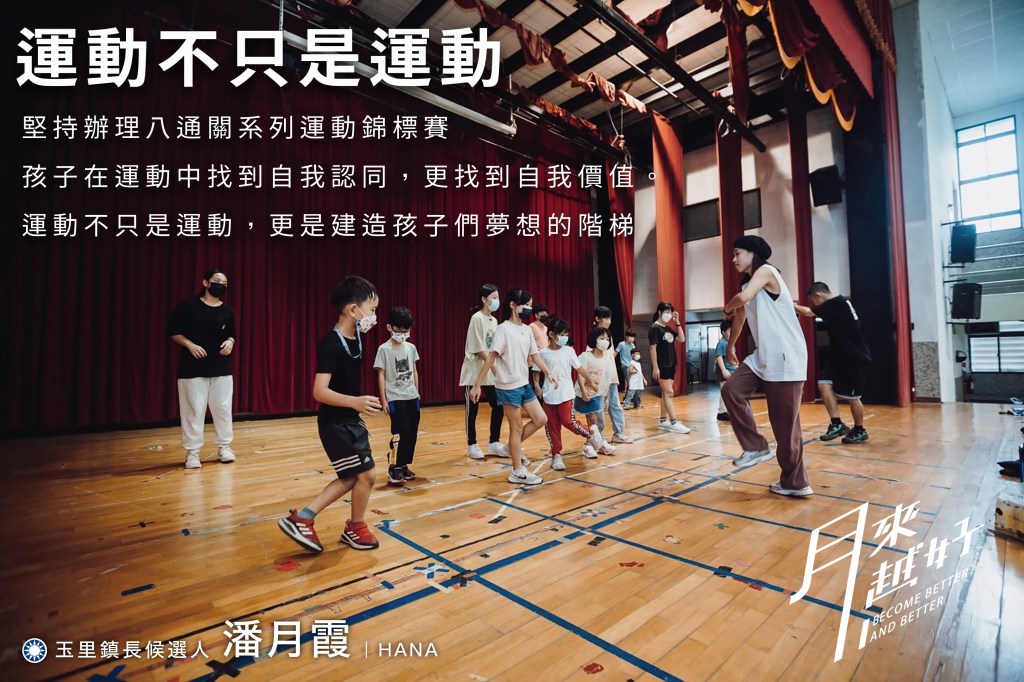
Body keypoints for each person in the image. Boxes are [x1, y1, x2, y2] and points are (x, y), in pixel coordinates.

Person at [278, 276, 382, 553]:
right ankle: (348, 525)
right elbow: (319, 391)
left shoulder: (356, 337)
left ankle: (309, 518)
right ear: (353, 310)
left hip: (349, 421)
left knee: (354, 476)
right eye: (371, 310)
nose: (374, 316)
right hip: (336, 424)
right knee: (367, 474)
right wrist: (354, 401)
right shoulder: (331, 344)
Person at [722, 236, 812, 497]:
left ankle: (796, 483)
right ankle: (756, 446)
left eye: (738, 253)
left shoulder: (767, 271)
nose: (734, 259)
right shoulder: (749, 282)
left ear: (753, 253)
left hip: (786, 357)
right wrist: (730, 347)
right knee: (731, 390)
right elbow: (740, 317)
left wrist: (727, 307)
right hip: (762, 356)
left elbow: (740, 300)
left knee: (786, 428)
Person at [470, 289, 558, 486]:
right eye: (525, 305)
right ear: (512, 305)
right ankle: (517, 471)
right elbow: (491, 357)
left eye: (530, 305)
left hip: (523, 383)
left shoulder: (527, 330)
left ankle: (511, 447)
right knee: (516, 427)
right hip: (507, 386)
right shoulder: (503, 329)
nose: (528, 309)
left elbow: (535, 356)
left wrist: (549, 372)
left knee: (541, 418)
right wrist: (477, 385)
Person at [167, 268, 237, 470]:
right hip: (193, 368)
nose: (221, 285)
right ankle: (192, 452)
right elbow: (173, 331)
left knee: (223, 409)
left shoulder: (227, 311)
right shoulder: (188, 306)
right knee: (193, 411)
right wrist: (190, 345)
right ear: (205, 282)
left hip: (222, 367)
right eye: (217, 281)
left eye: (224, 283)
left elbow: (232, 334)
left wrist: (230, 342)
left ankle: (224, 447)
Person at [794, 282, 872, 443]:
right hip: (838, 356)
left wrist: (789, 304)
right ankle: (837, 424)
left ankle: (860, 429)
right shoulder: (837, 305)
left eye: (813, 301)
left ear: (818, 296)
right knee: (823, 384)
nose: (814, 304)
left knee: (853, 397)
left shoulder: (836, 303)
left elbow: (808, 312)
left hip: (854, 357)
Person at [538, 317, 603, 470]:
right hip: (549, 396)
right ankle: (556, 455)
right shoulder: (542, 353)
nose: (565, 337)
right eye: (562, 334)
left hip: (566, 394)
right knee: (552, 427)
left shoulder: (569, 351)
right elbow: (536, 371)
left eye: (567, 334)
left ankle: (590, 432)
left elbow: (579, 368)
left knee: (568, 421)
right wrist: (536, 386)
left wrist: (590, 382)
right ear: (552, 334)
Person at [459, 284, 510, 460]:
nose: (497, 301)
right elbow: (479, 348)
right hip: (475, 372)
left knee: (498, 406)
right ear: (484, 299)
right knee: (472, 410)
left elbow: (494, 348)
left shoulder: (494, 321)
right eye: (494, 297)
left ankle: (494, 442)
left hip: (490, 372)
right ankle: (472, 444)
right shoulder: (476, 318)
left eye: (498, 297)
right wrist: (494, 368)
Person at [374, 306, 421, 486]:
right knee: (399, 432)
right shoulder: (383, 349)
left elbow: (414, 370)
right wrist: (384, 399)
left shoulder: (411, 348)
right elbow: (381, 374)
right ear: (389, 327)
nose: (403, 334)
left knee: (412, 432)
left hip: (411, 396)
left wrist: (417, 392)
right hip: (395, 397)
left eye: (406, 331)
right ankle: (393, 467)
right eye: (399, 331)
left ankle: (404, 465)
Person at [592, 307, 634, 444]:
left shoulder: (608, 335)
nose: (609, 321)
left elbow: (610, 358)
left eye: (610, 318)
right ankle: (599, 435)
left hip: (611, 376)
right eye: (605, 318)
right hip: (599, 378)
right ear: (597, 319)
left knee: (615, 404)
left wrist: (613, 376)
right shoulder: (594, 336)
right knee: (599, 407)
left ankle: (618, 433)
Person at [575, 327, 619, 455]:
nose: (605, 341)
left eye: (607, 339)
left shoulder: (608, 361)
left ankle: (591, 445)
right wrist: (584, 392)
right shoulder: (585, 356)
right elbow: (580, 375)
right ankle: (594, 445)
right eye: (602, 338)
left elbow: (608, 380)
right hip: (584, 393)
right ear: (594, 340)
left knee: (593, 420)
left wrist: (607, 397)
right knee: (591, 419)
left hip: (598, 394)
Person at [648, 302, 691, 434]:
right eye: (666, 311)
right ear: (660, 312)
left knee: (665, 393)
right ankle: (674, 422)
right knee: (669, 393)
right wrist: (655, 367)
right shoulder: (655, 328)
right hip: (662, 365)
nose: (669, 314)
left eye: (670, 312)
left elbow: (681, 339)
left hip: (671, 364)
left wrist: (677, 322)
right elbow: (652, 348)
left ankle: (663, 420)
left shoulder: (667, 328)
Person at [714, 321, 738, 421]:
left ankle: (726, 411)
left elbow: (733, 355)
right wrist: (723, 370)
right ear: (723, 332)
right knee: (726, 391)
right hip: (723, 371)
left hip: (731, 370)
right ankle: (722, 412)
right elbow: (719, 356)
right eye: (729, 331)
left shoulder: (730, 343)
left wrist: (737, 365)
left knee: (730, 391)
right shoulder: (722, 343)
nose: (732, 333)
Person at [529, 305, 550, 401]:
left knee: (544, 385)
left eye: (546, 313)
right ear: (536, 315)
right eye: (542, 313)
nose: (545, 314)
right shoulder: (531, 327)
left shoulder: (546, 328)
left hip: (545, 362)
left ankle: (544, 406)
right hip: (533, 362)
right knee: (537, 386)